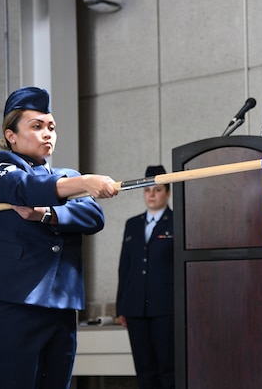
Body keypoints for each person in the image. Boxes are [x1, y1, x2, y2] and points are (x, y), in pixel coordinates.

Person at [0, 86, 118, 388]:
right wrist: (84, 182)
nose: (48, 133)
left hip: (60, 305)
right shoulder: (4, 164)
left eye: (51, 127)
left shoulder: (66, 175)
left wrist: (47, 213)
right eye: (36, 126)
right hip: (10, 301)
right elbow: (22, 189)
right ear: (11, 135)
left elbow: (93, 217)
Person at [116, 165, 174, 389]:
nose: (151, 194)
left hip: (166, 307)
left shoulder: (177, 221)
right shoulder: (133, 224)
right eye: (147, 190)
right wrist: (121, 305)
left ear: (167, 193)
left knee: (168, 368)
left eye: (157, 190)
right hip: (135, 307)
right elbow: (125, 267)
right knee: (144, 368)